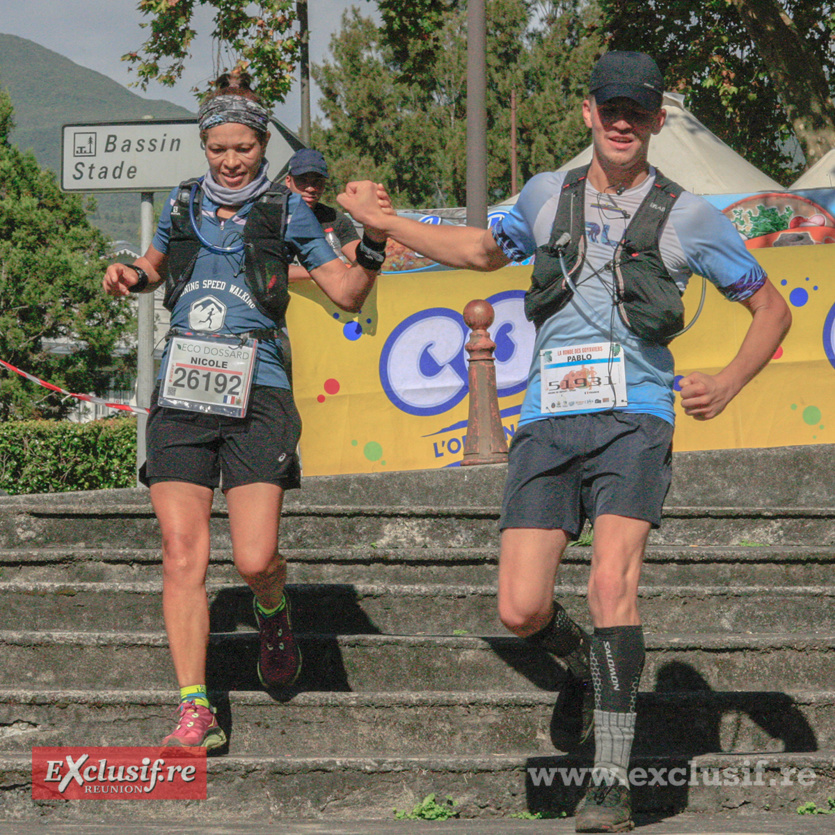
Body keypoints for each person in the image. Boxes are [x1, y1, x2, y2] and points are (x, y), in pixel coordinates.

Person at [337, 52, 790, 833]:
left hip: (635, 418)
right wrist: (384, 223)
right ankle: (583, 660)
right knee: (519, 607)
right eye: (609, 107)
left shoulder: (690, 216)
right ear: (588, 113)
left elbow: (771, 309)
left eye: (636, 111)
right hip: (547, 420)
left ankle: (609, 778)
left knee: (612, 585)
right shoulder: (548, 193)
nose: (621, 121)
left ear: (654, 121)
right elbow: (481, 250)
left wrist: (730, 380)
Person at [103, 73, 387, 752]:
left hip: (257, 388)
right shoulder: (183, 200)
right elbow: (152, 266)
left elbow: (345, 291)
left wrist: (373, 241)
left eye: (243, 147)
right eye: (218, 147)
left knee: (255, 555)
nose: (230, 159)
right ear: (204, 145)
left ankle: (270, 606)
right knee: (181, 552)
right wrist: (127, 274)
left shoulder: (288, 210)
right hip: (183, 389)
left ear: (263, 144)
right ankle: (195, 709)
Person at [283, 148, 360, 280]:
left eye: (317, 182)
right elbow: (269, 271)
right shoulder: (272, 217)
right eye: (302, 180)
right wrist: (329, 271)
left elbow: (363, 263)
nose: (310, 188)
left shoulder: (335, 219)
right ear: (288, 181)